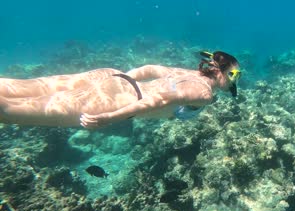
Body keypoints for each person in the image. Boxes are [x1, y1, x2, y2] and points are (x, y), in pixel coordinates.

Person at [0, 51, 241, 128]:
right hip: (116, 99)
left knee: (16, 87)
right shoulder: (205, 94)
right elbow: (157, 100)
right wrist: (109, 117)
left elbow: (149, 68)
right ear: (219, 70)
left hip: (112, 76)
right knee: (10, 110)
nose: (235, 81)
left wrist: (121, 79)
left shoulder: (189, 73)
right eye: (234, 74)